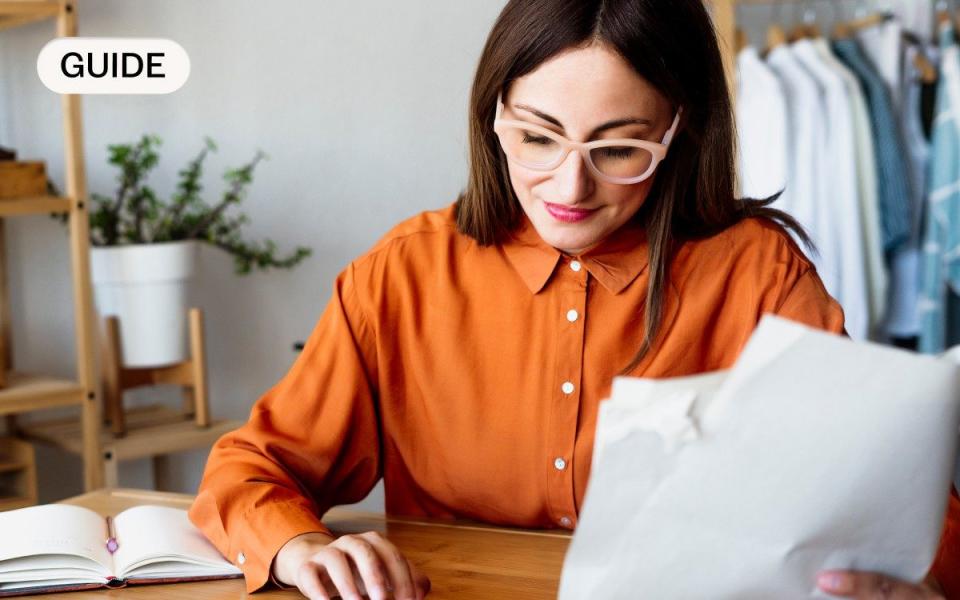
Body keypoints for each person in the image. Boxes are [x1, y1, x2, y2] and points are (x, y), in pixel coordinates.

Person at [188, 1, 960, 598]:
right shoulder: (402, 276)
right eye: (537, 136)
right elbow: (249, 469)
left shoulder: (757, 275)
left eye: (619, 148)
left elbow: (895, 499)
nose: (568, 186)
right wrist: (301, 546)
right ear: (494, 117)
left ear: (681, 134)